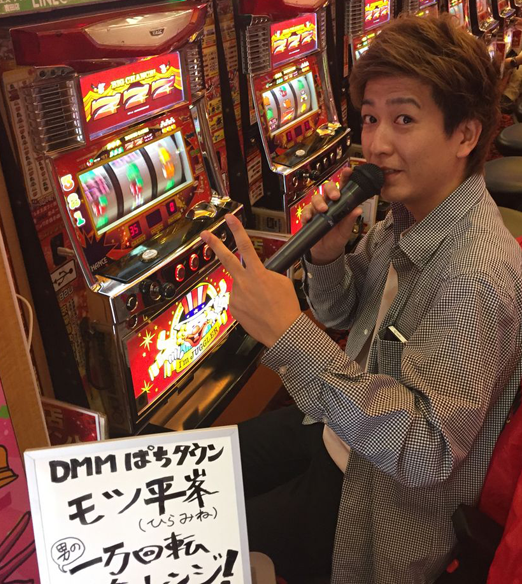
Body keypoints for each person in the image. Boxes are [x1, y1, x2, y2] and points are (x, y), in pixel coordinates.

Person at [200, 13, 522, 584]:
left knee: (208, 539)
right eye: (370, 118)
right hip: (341, 427)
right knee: (196, 466)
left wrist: (287, 336)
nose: (376, 144)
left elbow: (425, 452)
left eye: (404, 119)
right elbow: (342, 313)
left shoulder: (476, 275)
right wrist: (327, 256)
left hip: (384, 497)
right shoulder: (410, 214)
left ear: (466, 135)